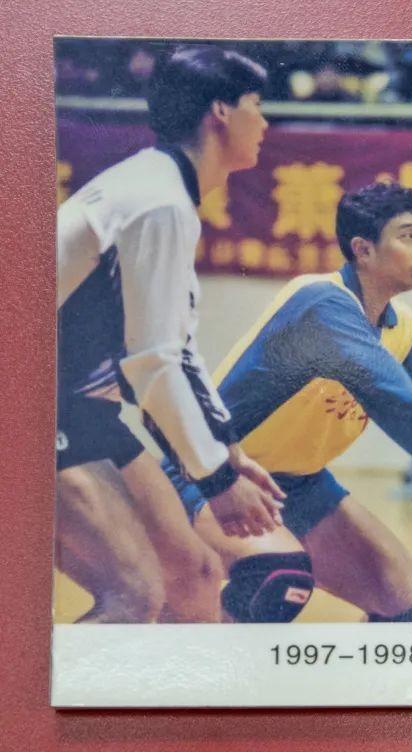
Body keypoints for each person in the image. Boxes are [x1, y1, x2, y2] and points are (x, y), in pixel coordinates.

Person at [167, 182, 412, 623]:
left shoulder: (405, 329)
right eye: (407, 236)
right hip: (213, 476)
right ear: (363, 250)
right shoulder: (322, 304)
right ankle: (185, 649)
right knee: (276, 581)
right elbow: (404, 408)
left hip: (299, 488)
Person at [56, 45, 285, 622]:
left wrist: (226, 452)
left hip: (82, 409)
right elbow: (151, 364)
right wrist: (217, 481)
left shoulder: (163, 189)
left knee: (197, 575)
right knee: (132, 596)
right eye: (256, 104)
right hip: (35, 405)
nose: (265, 122)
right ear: (221, 111)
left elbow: (175, 350)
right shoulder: (158, 202)